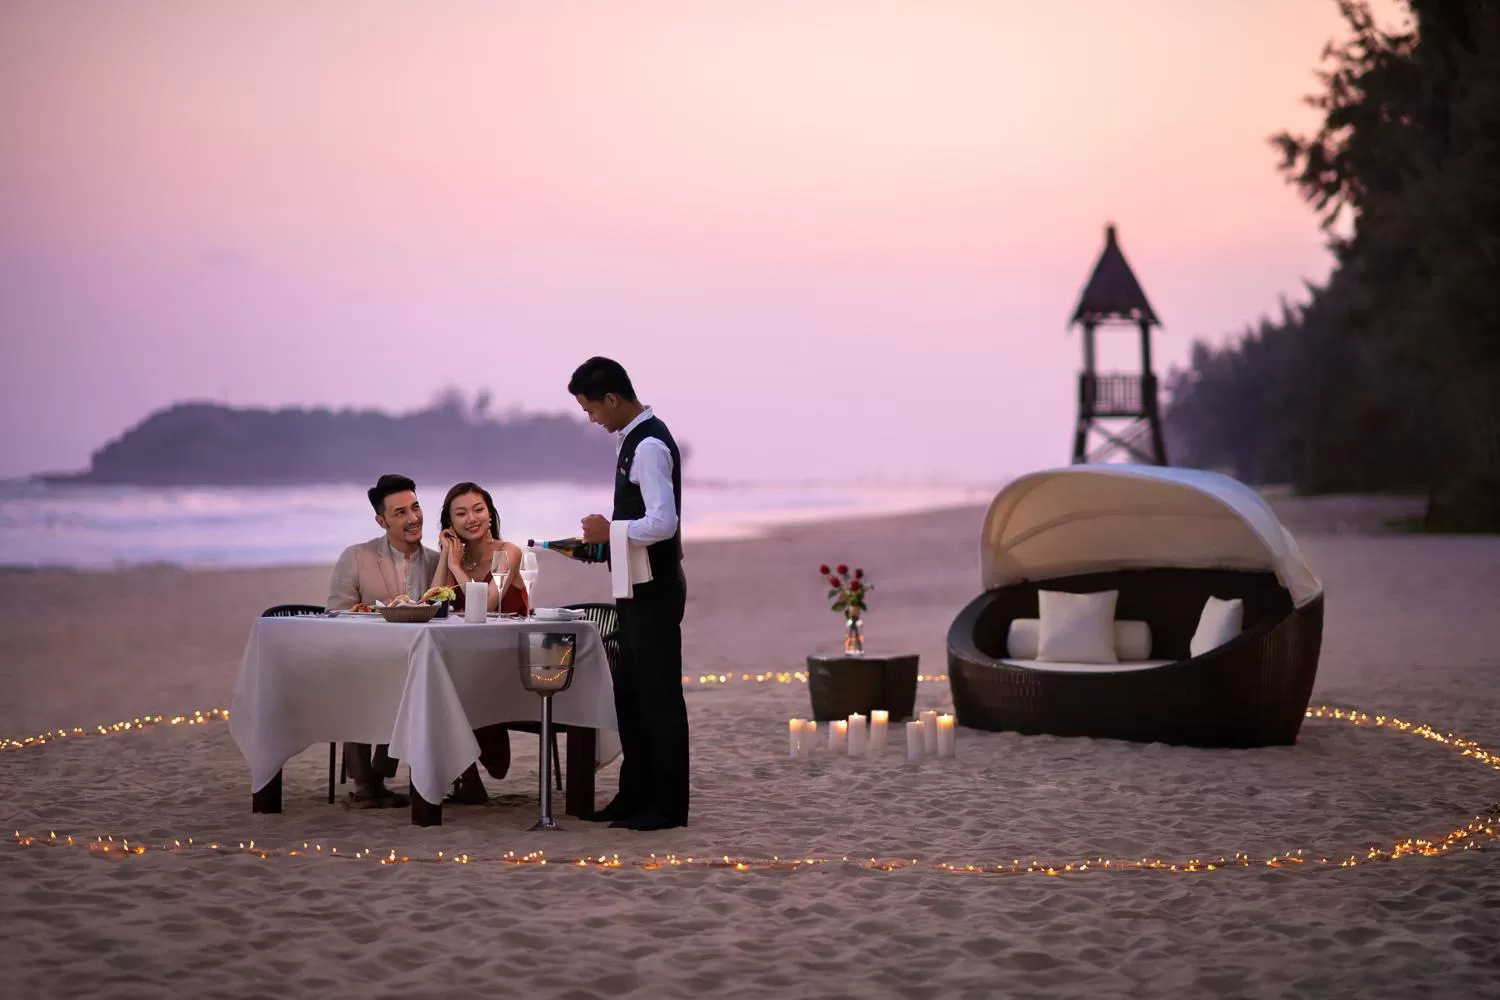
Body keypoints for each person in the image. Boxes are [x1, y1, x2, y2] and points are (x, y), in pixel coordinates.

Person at [570, 356, 689, 830]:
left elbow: (664, 522)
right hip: (636, 587)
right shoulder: (631, 441)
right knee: (632, 697)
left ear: (612, 399)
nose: (592, 419)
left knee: (658, 698)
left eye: (591, 409)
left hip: (656, 591)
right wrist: (601, 544)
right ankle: (633, 796)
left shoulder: (650, 446)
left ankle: (665, 806)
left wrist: (611, 528)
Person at [326, 473, 440, 808]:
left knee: (420, 682)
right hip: (365, 657)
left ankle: (379, 772)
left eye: (415, 508)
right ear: (381, 520)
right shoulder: (357, 557)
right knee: (355, 681)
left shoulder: (436, 561)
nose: (413, 518)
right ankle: (365, 784)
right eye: (400, 512)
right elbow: (337, 611)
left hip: (419, 662)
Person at [427, 481, 530, 804]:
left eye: (478, 510)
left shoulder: (507, 551)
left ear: (490, 513)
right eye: (461, 513)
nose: (471, 518)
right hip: (466, 661)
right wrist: (447, 556)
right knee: (436, 678)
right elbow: (433, 603)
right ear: (450, 523)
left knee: (445, 683)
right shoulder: (455, 557)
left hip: (508, 660)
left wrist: (456, 566)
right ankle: (466, 777)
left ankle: (463, 771)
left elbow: (486, 603)